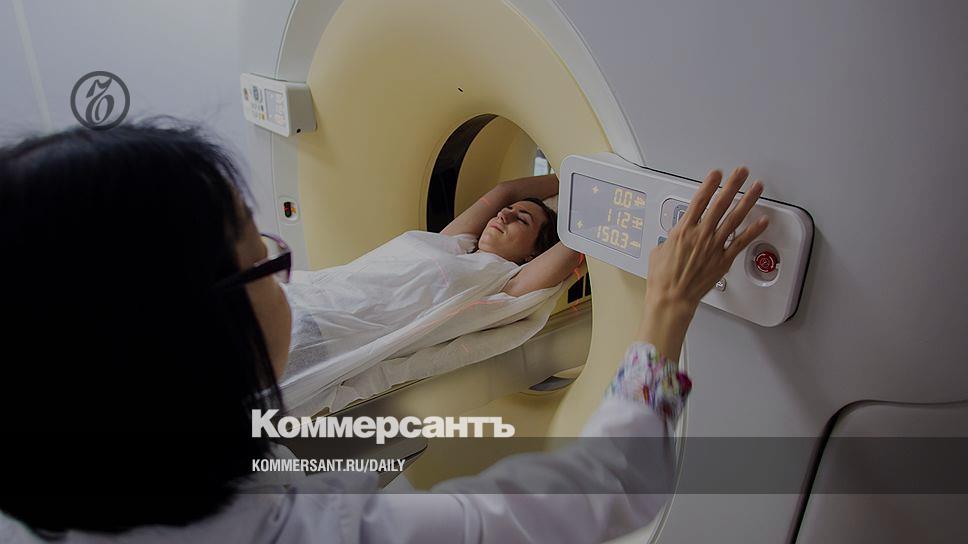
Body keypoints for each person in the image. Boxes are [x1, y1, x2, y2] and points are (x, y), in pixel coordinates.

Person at [0, 121, 768, 543]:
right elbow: (613, 487)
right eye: (260, 252)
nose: (284, 268)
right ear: (187, 336)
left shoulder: (96, 471)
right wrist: (668, 306)